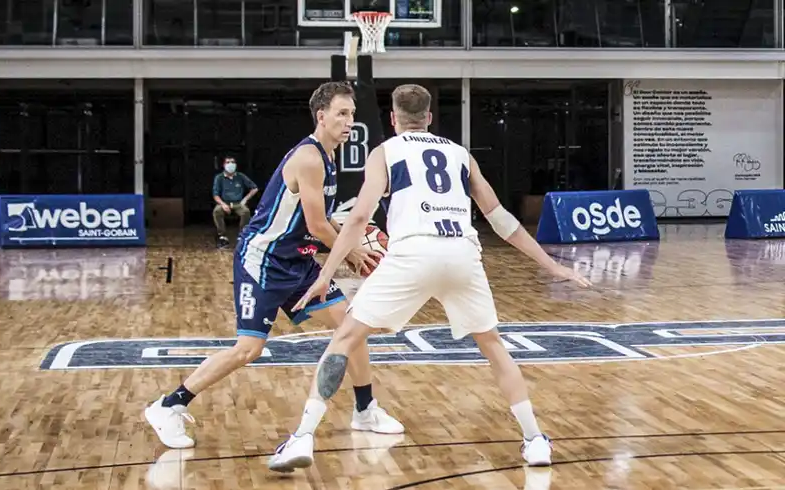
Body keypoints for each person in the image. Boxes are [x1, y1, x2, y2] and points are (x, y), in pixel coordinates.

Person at [268, 84, 592, 471]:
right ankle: (535, 440)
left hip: (413, 253)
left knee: (346, 338)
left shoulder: (385, 152)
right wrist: (552, 265)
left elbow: (358, 218)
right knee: (493, 346)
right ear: (430, 117)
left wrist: (325, 273)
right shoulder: (460, 154)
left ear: (393, 118)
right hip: (461, 254)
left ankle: (303, 436)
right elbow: (501, 220)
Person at [144, 81, 405, 450]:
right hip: (263, 261)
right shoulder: (309, 158)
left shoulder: (328, 158)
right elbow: (317, 225)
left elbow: (323, 221)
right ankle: (169, 405)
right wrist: (351, 252)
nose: (349, 121)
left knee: (352, 326)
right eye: (342, 114)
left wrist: (352, 240)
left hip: (298, 260)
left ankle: (365, 409)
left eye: (352, 114)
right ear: (321, 116)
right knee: (248, 349)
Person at [213, 156, 258, 248]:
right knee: (217, 211)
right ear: (224, 165)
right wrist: (223, 204)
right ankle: (222, 236)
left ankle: (242, 235)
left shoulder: (240, 176)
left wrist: (245, 199)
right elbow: (215, 195)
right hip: (224, 202)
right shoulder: (219, 177)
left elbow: (254, 188)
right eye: (228, 162)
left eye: (233, 162)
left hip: (238, 203)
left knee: (245, 211)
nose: (231, 164)